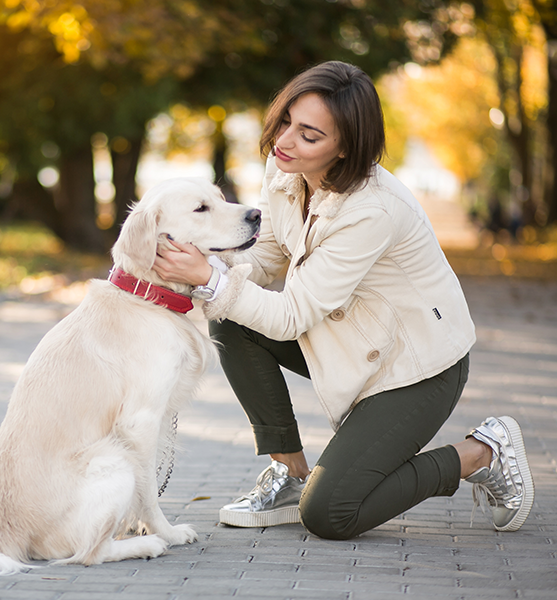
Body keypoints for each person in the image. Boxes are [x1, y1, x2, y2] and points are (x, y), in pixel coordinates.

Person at [153, 61, 534, 540]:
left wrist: (209, 277)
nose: (286, 141)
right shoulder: (285, 167)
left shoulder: (370, 209)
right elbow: (269, 257)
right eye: (286, 121)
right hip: (345, 339)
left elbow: (291, 315)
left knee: (332, 513)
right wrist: (198, 268)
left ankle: (482, 453)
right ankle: (289, 475)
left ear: (346, 147)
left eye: (309, 135)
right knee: (228, 316)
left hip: (413, 367)